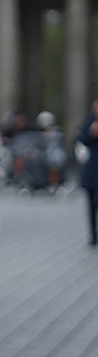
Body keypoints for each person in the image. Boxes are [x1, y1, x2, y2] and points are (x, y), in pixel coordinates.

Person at [76, 97, 98, 247]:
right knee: (91, 203)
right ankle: (93, 234)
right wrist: (91, 132)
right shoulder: (91, 120)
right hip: (93, 166)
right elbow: (83, 139)